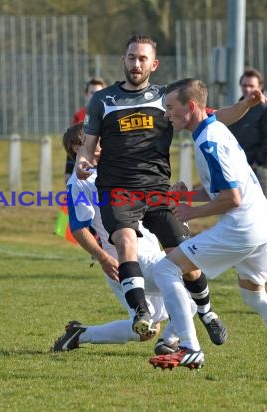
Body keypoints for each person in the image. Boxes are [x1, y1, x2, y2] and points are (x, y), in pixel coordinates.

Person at [75, 34, 262, 344]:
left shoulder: (167, 99)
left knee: (183, 258)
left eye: (143, 58)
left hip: (158, 191)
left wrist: (247, 104)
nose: (136, 64)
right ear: (123, 60)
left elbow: (212, 117)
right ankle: (140, 314)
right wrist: (82, 161)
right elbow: (88, 145)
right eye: (131, 57)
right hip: (117, 190)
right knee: (124, 241)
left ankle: (206, 312)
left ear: (154, 64)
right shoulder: (103, 100)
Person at [147, 78, 267, 380]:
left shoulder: (209, 143)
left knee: (166, 270)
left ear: (190, 107)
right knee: (255, 297)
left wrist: (192, 211)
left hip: (240, 227)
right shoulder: (211, 126)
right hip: (260, 225)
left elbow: (231, 198)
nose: (167, 115)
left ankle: (188, 346)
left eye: (171, 109)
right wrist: (187, 194)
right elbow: (221, 189)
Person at [53, 123, 195, 353]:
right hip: (126, 260)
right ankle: (171, 344)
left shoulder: (125, 168)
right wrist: (102, 257)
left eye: (97, 140)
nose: (97, 146)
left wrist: (174, 197)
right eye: (86, 145)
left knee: (146, 330)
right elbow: (79, 228)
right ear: (77, 150)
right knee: (190, 285)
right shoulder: (81, 182)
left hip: (150, 252)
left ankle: (81, 334)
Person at [228, 67, 267, 214]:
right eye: (244, 85)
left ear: (260, 87)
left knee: (261, 209)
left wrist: (258, 163)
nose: (248, 89)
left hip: (259, 169)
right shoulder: (240, 106)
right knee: (241, 210)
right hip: (240, 168)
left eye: (251, 86)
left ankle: (265, 238)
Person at [65, 77, 106, 183]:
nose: (95, 96)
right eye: (92, 92)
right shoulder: (80, 116)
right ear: (86, 94)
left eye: (98, 92)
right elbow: (74, 144)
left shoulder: (110, 115)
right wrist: (69, 171)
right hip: (85, 167)